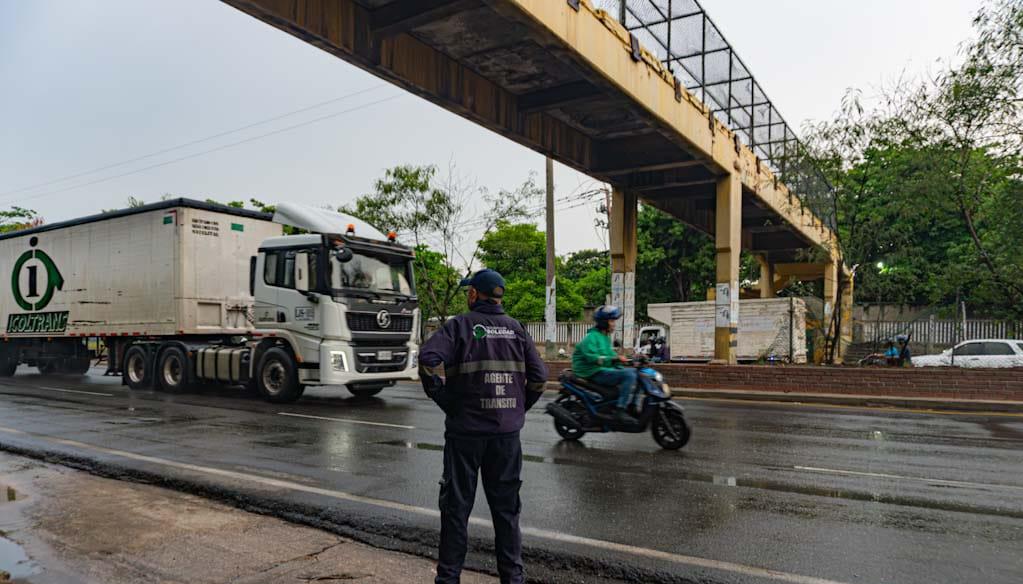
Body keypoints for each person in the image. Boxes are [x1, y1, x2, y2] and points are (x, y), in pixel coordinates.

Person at [419, 268, 547, 584]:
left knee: (456, 510)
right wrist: (516, 409)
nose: (468, 295)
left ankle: (448, 579)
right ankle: (513, 579)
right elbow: (540, 378)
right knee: (507, 512)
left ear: (475, 294)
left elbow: (427, 360)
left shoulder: (460, 326)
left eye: (469, 291)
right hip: (506, 437)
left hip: (465, 434)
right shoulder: (517, 329)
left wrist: (446, 399)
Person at [571, 305, 637, 424]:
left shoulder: (604, 337)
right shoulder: (591, 337)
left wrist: (628, 360)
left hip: (602, 370)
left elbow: (610, 355)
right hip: (592, 372)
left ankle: (633, 407)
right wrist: (615, 358)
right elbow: (594, 358)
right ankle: (620, 410)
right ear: (603, 322)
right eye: (612, 321)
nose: (614, 324)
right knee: (629, 375)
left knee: (637, 373)